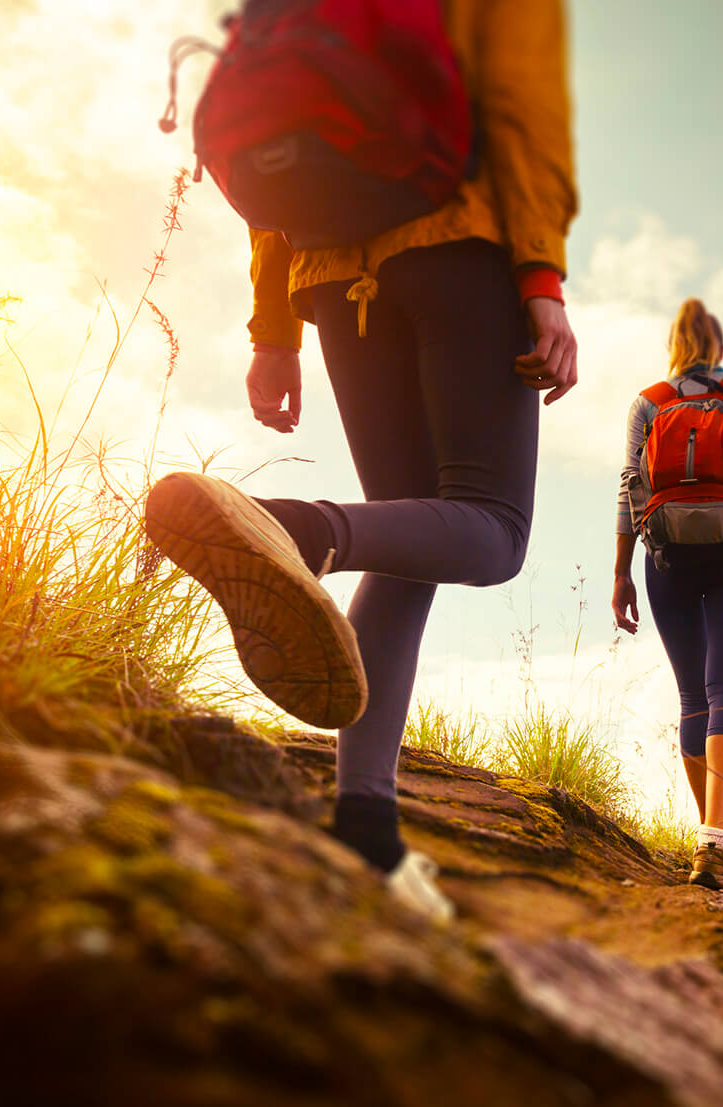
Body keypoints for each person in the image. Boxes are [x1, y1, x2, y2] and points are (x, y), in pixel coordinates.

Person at [143, 0, 577, 926]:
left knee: (411, 536)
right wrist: (541, 282)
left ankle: (366, 827)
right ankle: (300, 528)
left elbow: (281, 157)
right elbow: (522, 109)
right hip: (459, 243)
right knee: (491, 530)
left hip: (332, 275)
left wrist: (274, 334)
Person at [613, 301, 723, 891]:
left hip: (665, 559)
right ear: (719, 344)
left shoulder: (648, 402)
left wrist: (622, 572)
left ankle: (709, 839)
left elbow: (628, 488)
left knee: (693, 697)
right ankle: (716, 838)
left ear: (674, 345)